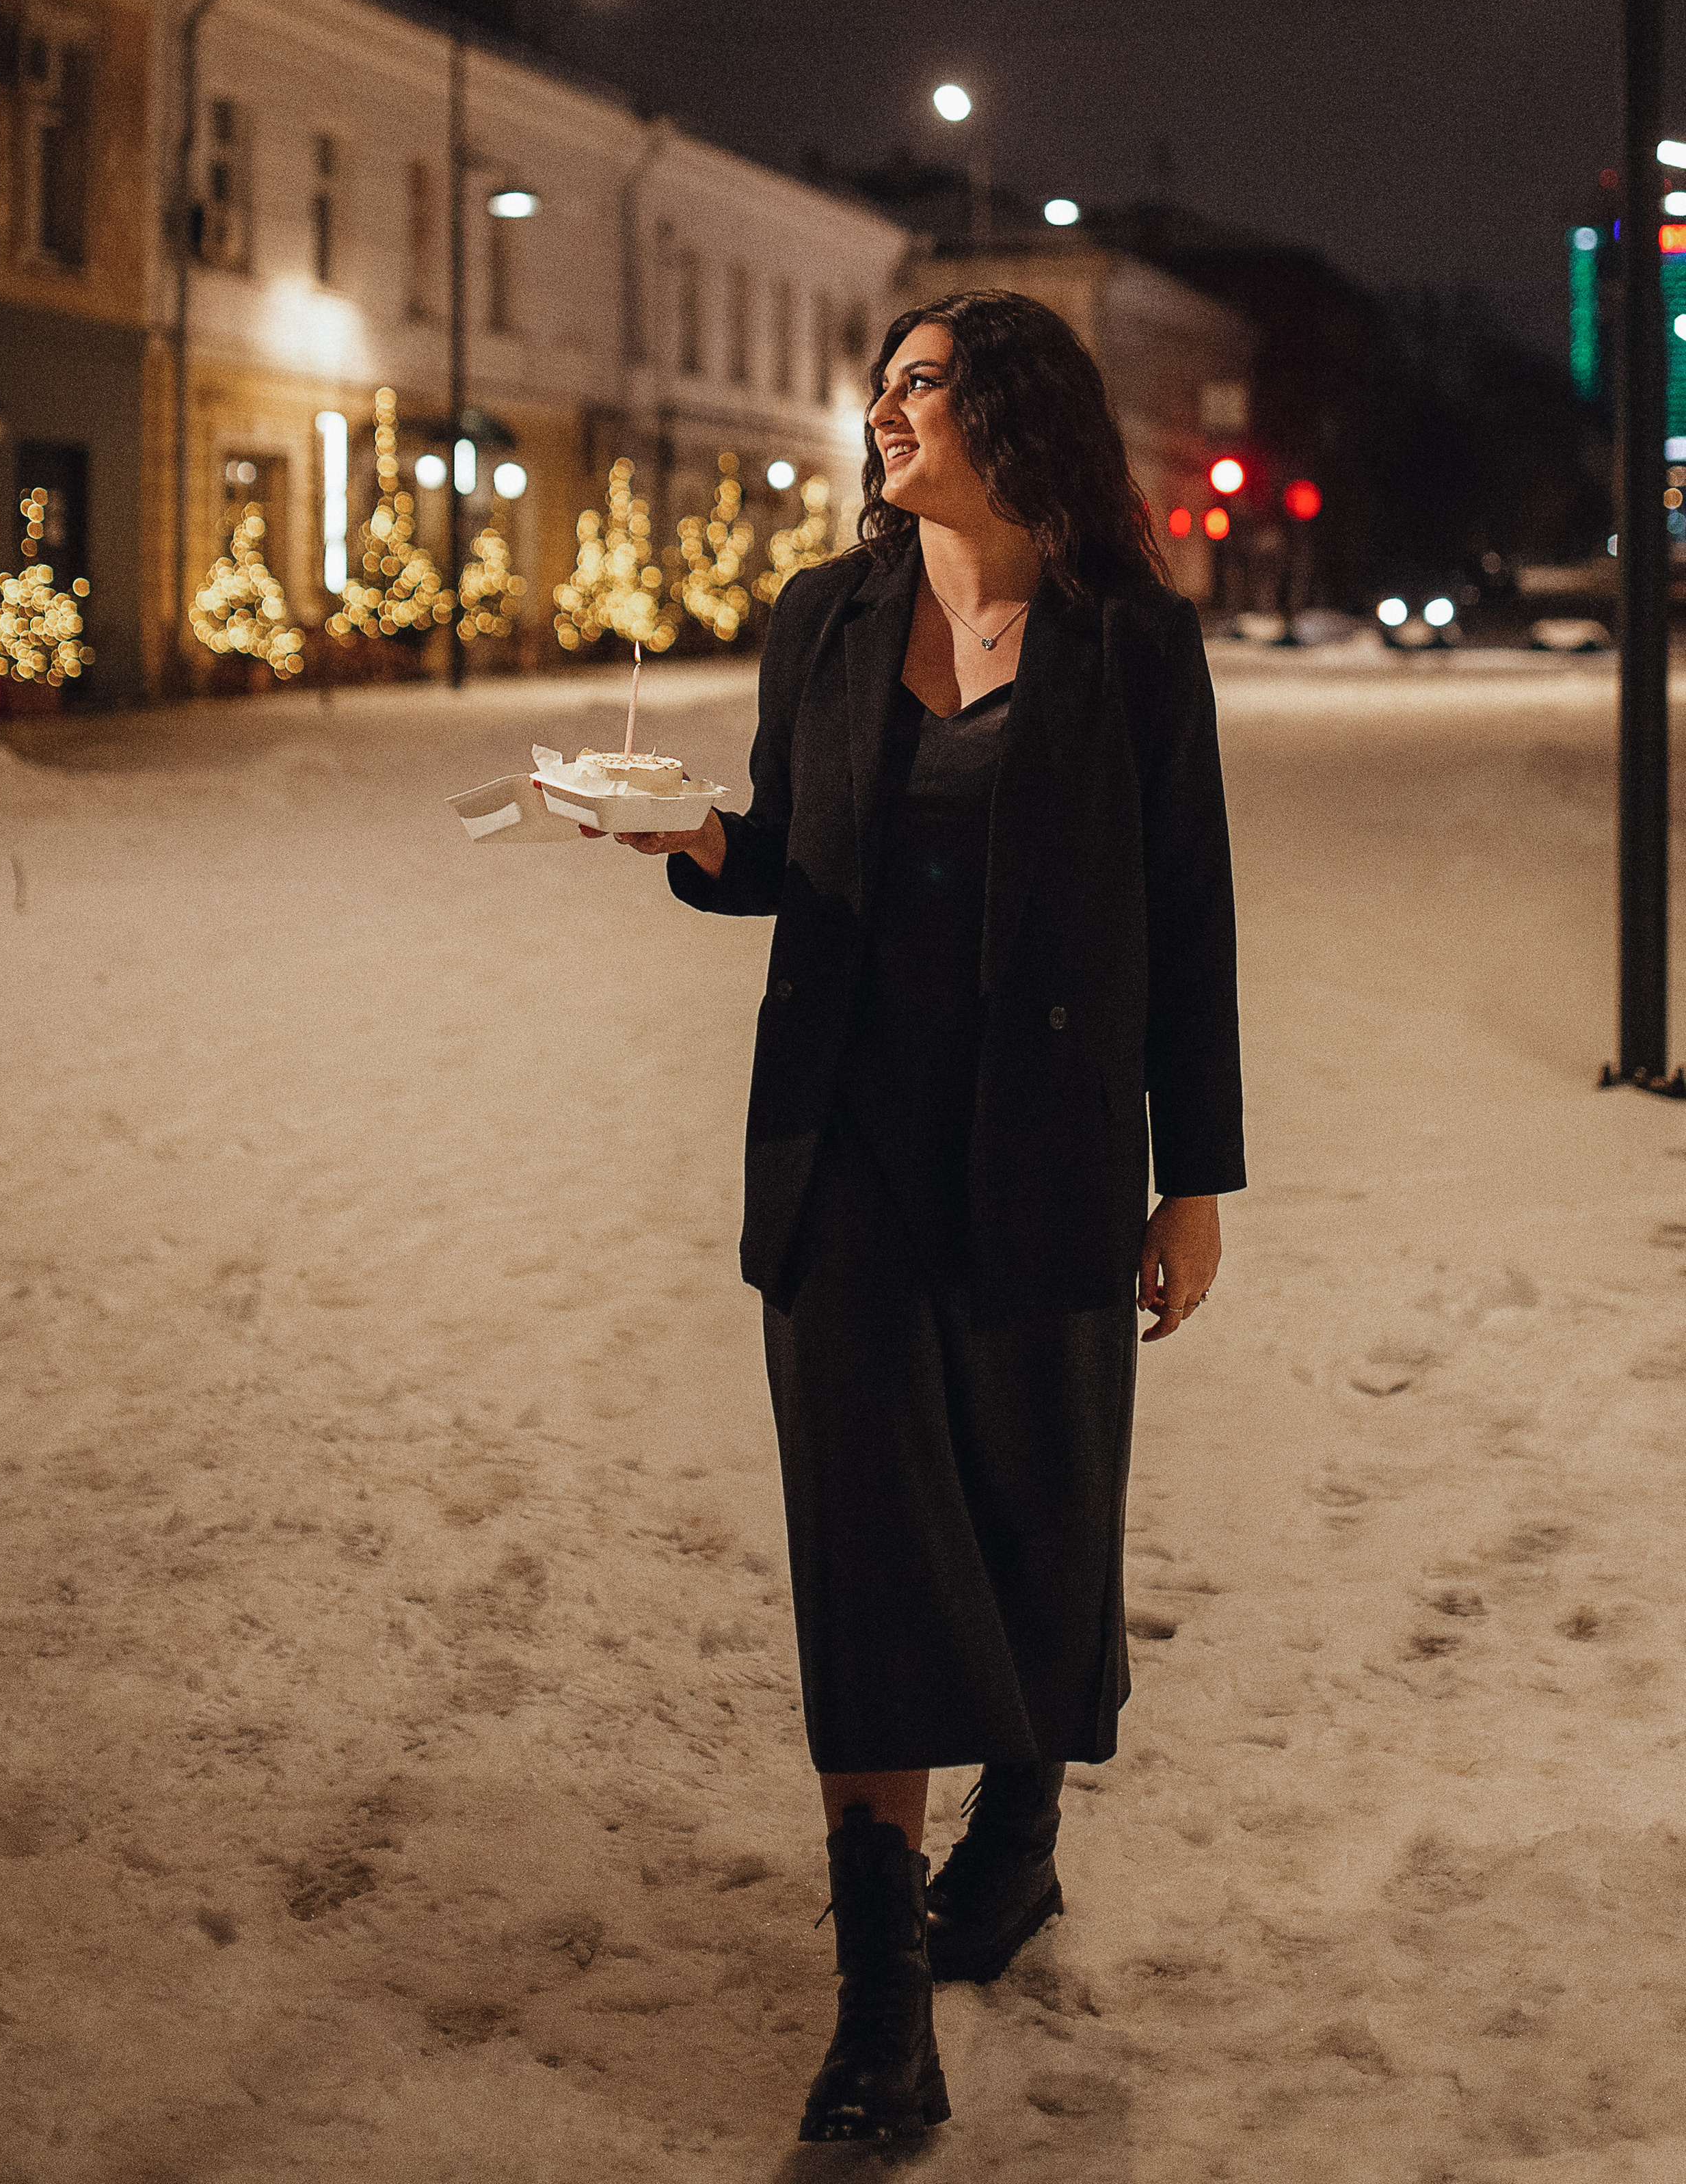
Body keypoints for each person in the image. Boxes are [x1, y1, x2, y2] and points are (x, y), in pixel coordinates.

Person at [582, 289, 1244, 2144]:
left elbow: (1186, 922)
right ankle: (881, 2005)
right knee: (873, 1555)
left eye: (920, 385)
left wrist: (1195, 1177)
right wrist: (697, 838)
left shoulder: (1133, 643)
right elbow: (793, 857)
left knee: (1033, 1521)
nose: (885, 412)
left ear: (1013, 412)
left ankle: (1018, 1832)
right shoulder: (830, 616)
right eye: (880, 387)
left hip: (1042, 1150)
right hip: (847, 1153)